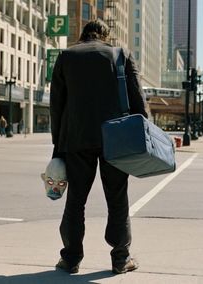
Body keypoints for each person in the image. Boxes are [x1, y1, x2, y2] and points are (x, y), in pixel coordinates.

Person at [50, 19, 148, 274]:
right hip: (115, 138)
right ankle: (120, 259)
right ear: (105, 35)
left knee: (76, 201)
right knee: (117, 200)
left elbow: (56, 105)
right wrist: (144, 133)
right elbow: (137, 96)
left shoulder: (66, 56)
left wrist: (57, 146)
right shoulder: (119, 54)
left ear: (83, 35)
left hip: (76, 138)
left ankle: (71, 259)